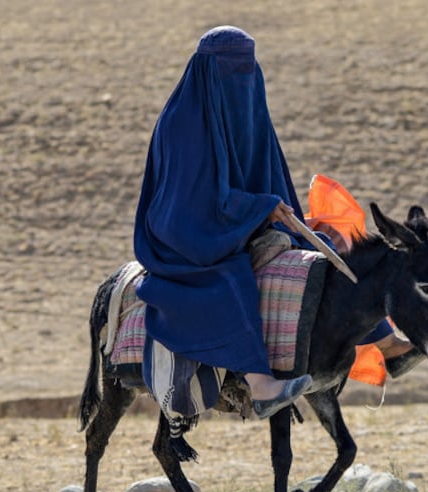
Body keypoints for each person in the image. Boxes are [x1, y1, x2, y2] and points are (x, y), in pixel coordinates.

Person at [133, 26, 311, 420]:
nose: (241, 79)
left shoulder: (252, 109)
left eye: (247, 68)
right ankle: (261, 385)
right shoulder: (182, 123)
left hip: (238, 225)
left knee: (320, 249)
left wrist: (278, 213)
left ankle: (384, 342)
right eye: (232, 69)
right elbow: (190, 205)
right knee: (230, 280)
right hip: (184, 237)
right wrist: (260, 207)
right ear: (207, 72)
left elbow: (269, 176)